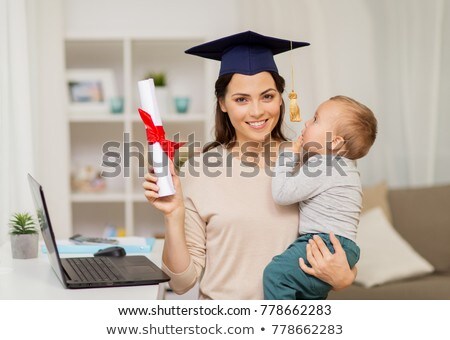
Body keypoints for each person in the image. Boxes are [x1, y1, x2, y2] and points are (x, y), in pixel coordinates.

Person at [143, 31, 358, 299]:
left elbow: (340, 240)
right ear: (222, 103)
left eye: (267, 96)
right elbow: (181, 283)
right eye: (241, 99)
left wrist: (345, 277)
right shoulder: (198, 172)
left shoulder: (313, 162)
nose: (257, 111)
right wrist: (173, 216)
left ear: (281, 98)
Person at [264, 95, 377, 299]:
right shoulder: (342, 166)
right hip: (342, 247)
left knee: (275, 275)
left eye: (315, 119)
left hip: (325, 243)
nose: (307, 122)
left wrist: (288, 155)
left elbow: (281, 194)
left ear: (334, 142)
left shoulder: (325, 165)